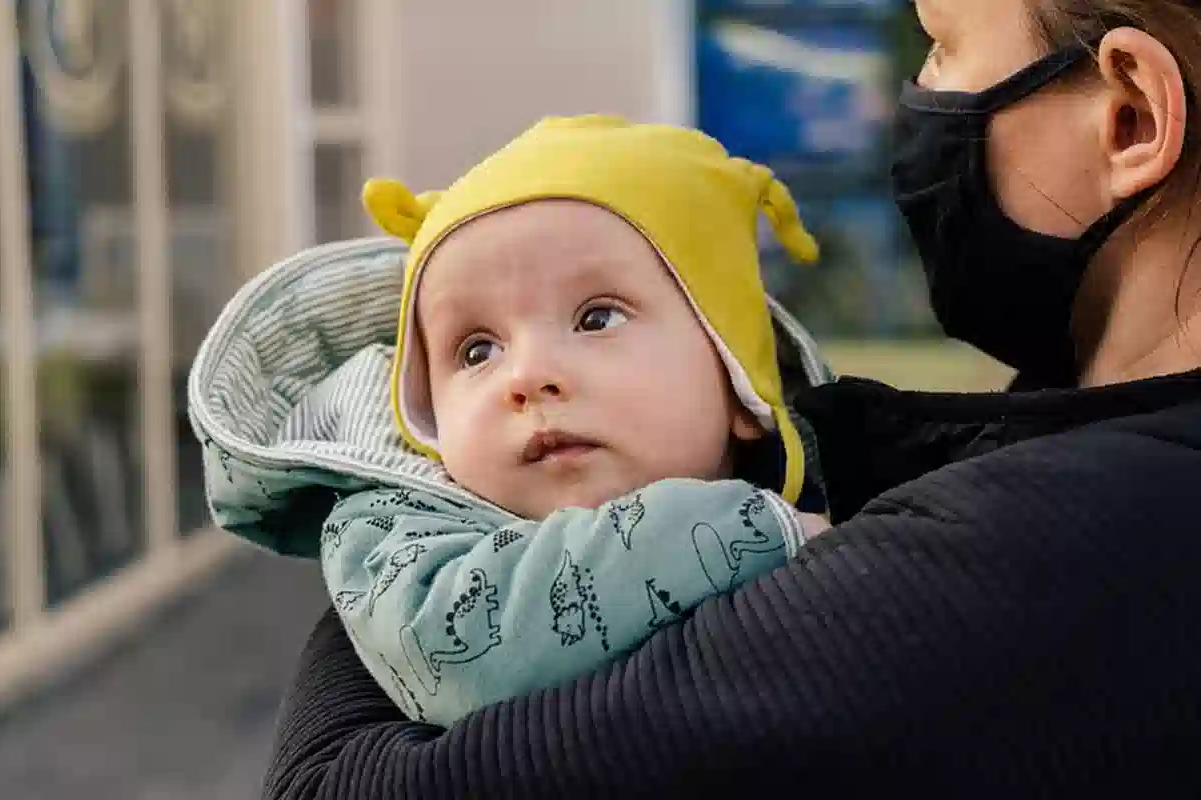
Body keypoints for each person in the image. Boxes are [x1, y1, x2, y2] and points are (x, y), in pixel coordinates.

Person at [260, 0, 1201, 796]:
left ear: (1130, 117)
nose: (917, 97)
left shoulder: (1100, 548)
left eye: (943, 45)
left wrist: (394, 508)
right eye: (470, 351)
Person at [188, 116, 835, 727]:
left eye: (596, 318)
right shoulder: (394, 532)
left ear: (739, 387)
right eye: (477, 351)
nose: (527, 377)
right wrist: (748, 529)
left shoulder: (861, 482)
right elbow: (457, 651)